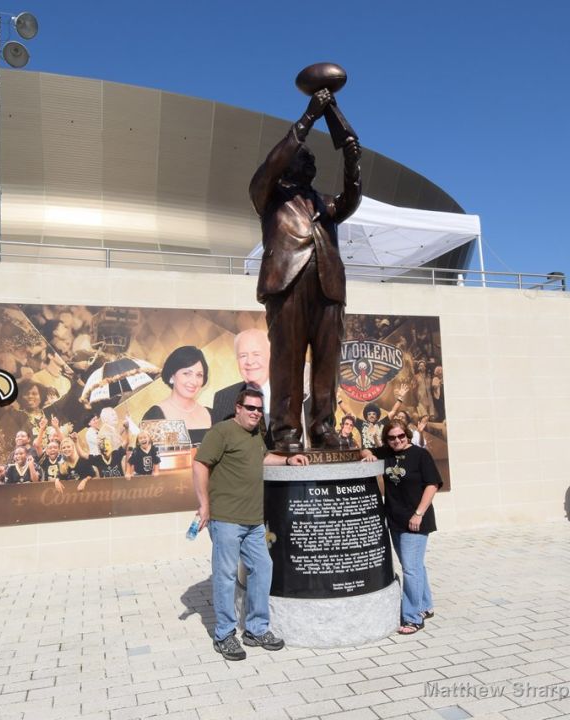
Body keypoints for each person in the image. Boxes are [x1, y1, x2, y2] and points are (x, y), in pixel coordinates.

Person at [250, 87, 362, 453]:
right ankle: (285, 432)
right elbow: (272, 163)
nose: (310, 162)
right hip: (288, 285)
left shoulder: (325, 203)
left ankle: (323, 428)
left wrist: (349, 152)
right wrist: (310, 116)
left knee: (327, 363)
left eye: (313, 160)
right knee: (288, 359)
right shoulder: (267, 194)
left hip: (328, 288)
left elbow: (352, 195)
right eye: (304, 157)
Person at [192, 387, 306, 660]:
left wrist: (288, 460)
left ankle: (256, 629)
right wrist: (204, 505)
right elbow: (199, 465)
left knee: (263, 568)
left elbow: (263, 458)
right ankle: (224, 635)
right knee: (226, 575)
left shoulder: (255, 435)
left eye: (259, 409)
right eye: (251, 408)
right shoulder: (221, 432)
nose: (256, 413)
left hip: (254, 521)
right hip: (226, 519)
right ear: (239, 407)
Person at [361, 420, 443, 635]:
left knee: (410, 569)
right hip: (395, 520)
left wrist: (418, 513)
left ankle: (412, 618)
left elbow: (432, 484)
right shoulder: (387, 452)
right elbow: (364, 449)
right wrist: (367, 455)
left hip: (415, 521)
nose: (397, 440)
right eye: (392, 437)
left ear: (407, 435)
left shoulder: (420, 455)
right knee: (415, 566)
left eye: (401, 436)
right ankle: (425, 606)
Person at [143, 345, 213, 444]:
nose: (194, 381)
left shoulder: (212, 414)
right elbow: (146, 455)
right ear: (172, 376)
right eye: (187, 373)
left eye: (199, 375)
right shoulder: (155, 415)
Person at [211, 328, 271, 425]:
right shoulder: (223, 397)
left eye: (256, 354)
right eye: (243, 356)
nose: (249, 362)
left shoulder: (295, 395)